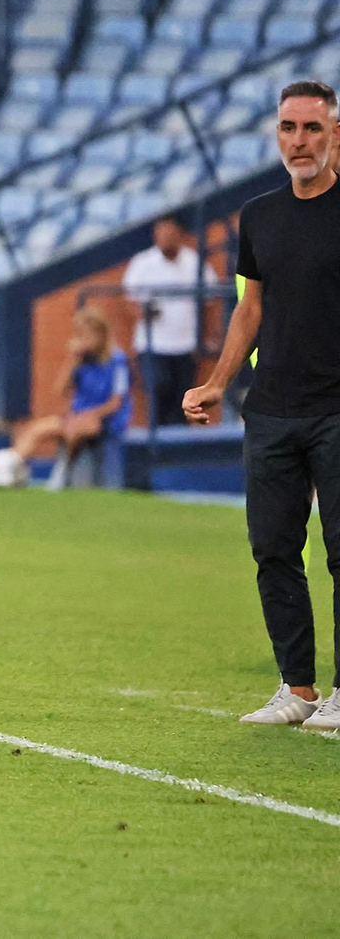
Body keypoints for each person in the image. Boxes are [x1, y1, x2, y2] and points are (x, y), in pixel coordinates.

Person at [184, 80, 340, 731]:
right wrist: (219, 380)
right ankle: (297, 688)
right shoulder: (258, 215)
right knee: (273, 548)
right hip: (271, 408)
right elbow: (250, 307)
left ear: (335, 133)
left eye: (311, 128)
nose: (298, 141)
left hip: (337, 407)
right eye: (288, 128)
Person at [0, 307, 131, 490]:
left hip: (104, 421)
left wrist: (86, 416)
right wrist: (72, 359)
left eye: (88, 335)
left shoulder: (117, 361)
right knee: (37, 428)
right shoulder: (81, 360)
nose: (83, 340)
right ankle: (8, 465)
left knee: (77, 429)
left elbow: (115, 402)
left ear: (101, 334)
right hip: (75, 417)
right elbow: (61, 389)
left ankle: (62, 474)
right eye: (80, 335)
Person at [123, 218, 217, 429]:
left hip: (185, 344)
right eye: (161, 235)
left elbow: (209, 302)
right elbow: (129, 301)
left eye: (170, 235)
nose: (165, 240)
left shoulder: (195, 264)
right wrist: (145, 314)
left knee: (182, 400)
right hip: (153, 345)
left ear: (180, 236)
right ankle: (156, 446)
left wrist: (206, 336)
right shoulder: (143, 263)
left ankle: (176, 450)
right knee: (156, 390)